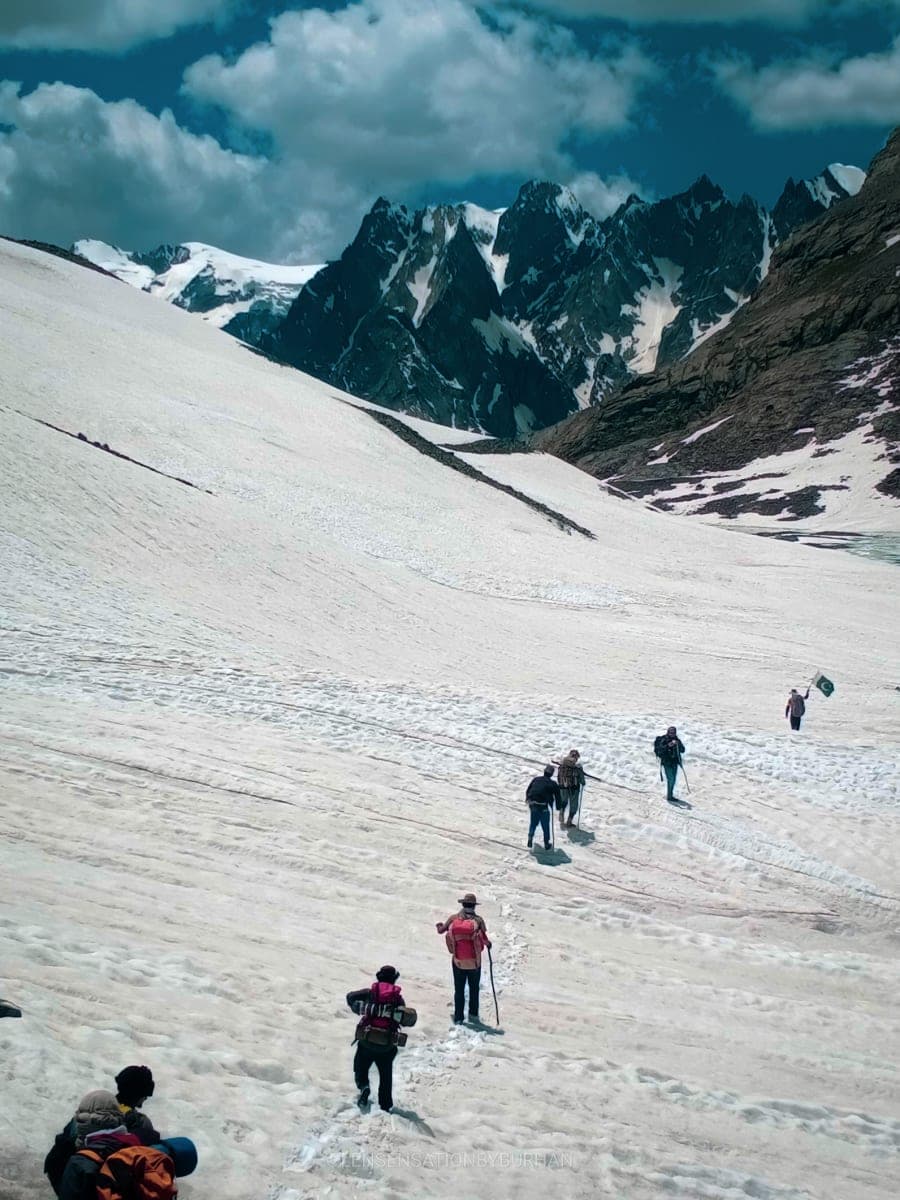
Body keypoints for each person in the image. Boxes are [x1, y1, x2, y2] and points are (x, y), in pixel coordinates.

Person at [45, 1067, 160, 1194]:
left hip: (65, 1173)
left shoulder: (93, 1108)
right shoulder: (140, 1122)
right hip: (96, 1183)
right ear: (140, 1095)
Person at [346, 965, 416, 1112]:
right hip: (387, 1045)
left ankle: (364, 1087)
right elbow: (404, 1019)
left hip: (367, 1040)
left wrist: (358, 1007)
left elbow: (350, 997)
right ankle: (385, 1105)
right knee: (385, 1074)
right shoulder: (397, 999)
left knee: (360, 1066)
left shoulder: (370, 993)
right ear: (394, 979)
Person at [436, 894, 491, 1025]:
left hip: (458, 961)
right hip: (474, 962)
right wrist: (489, 944)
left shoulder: (454, 918)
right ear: (474, 906)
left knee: (459, 989)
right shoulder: (478, 920)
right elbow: (484, 939)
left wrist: (438, 926)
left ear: (463, 905)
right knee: (474, 988)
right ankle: (473, 1014)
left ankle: (458, 1017)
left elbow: (441, 931)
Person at [525, 765, 560, 849]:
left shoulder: (536, 779)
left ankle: (530, 837)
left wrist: (528, 799)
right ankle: (546, 843)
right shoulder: (553, 784)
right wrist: (558, 807)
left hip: (533, 804)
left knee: (533, 823)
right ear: (551, 774)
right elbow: (558, 796)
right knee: (545, 825)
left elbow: (528, 790)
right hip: (543, 805)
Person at [653, 726, 685, 804]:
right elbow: (661, 749)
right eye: (671, 732)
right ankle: (669, 796)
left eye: (674, 732)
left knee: (673, 779)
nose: (672, 734)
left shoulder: (677, 740)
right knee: (671, 779)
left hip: (674, 762)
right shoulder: (664, 739)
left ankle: (670, 794)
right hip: (667, 762)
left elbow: (683, 750)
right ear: (668, 732)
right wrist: (668, 745)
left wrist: (678, 745)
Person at [556, 750, 585, 827]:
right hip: (574, 789)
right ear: (576, 757)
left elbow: (558, 776)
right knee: (573, 805)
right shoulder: (577, 766)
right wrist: (582, 780)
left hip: (563, 786)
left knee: (564, 801)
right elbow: (582, 781)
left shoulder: (562, 764)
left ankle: (561, 813)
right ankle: (569, 821)